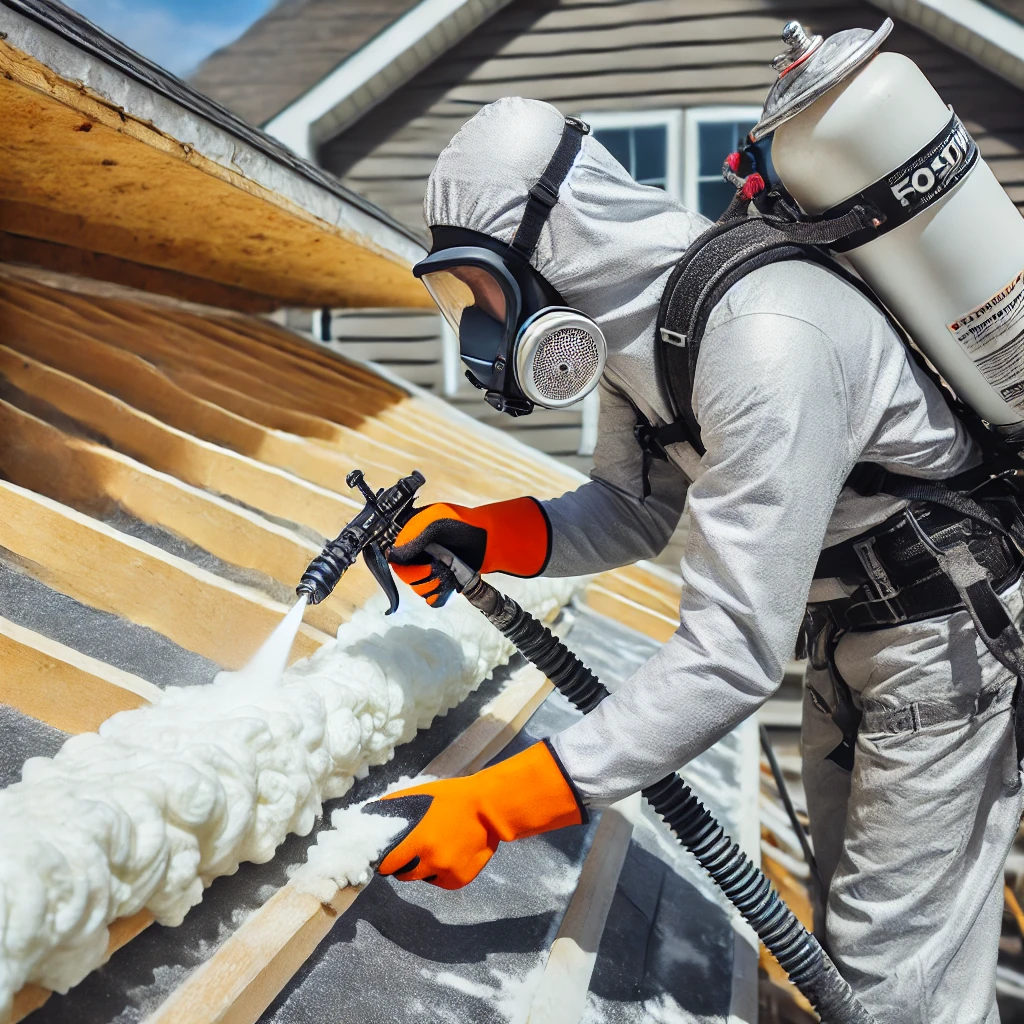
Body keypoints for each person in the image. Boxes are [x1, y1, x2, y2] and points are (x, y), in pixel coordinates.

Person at [370, 96, 1024, 1022]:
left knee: (894, 979)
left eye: (481, 289)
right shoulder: (647, 328)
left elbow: (729, 658)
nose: (479, 322)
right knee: (858, 933)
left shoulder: (763, 337)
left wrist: (502, 804)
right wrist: (493, 534)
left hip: (943, 633)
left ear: (553, 247)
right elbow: (634, 508)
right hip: (850, 627)